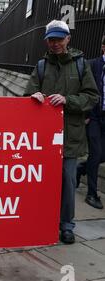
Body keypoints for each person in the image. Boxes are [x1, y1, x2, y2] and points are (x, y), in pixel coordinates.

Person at [24, 20, 99, 245]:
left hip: (70, 136)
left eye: (59, 39)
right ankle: (41, 220)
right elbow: (28, 93)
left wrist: (68, 100)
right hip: (43, 137)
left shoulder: (81, 65)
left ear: (68, 39)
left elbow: (92, 96)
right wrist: (33, 97)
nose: (55, 43)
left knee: (67, 181)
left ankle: (66, 225)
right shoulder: (40, 65)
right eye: (51, 39)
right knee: (41, 180)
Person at [76, 35, 105, 209]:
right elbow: (83, 89)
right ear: (103, 47)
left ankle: (81, 169)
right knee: (95, 153)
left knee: (102, 155)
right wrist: (84, 113)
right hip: (94, 116)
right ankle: (92, 194)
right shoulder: (92, 64)